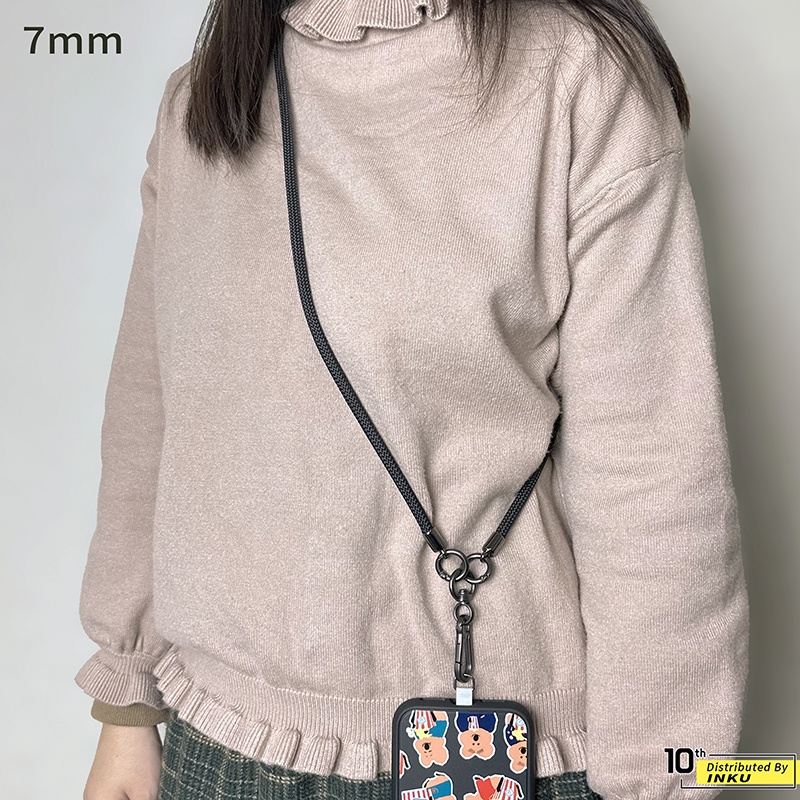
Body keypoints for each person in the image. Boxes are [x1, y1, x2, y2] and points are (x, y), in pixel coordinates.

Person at [75, 0, 750, 798]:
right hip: (215, 748)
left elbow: (653, 471)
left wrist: (665, 778)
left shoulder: (579, 79)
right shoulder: (202, 102)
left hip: (497, 755)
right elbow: (151, 413)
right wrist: (126, 704)